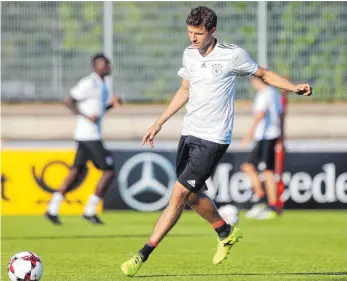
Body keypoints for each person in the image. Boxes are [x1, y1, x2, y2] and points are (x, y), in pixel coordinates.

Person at [121, 6, 312, 277]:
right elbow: (184, 90)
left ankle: (142, 255)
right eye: (190, 33)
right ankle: (225, 231)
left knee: (177, 196)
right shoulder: (189, 54)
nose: (193, 39)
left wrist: (293, 88)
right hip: (189, 134)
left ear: (213, 31)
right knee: (192, 196)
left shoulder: (232, 55)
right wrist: (158, 122)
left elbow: (264, 74)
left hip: (213, 139)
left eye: (198, 34)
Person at [45, 53, 121, 225]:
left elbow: (97, 112)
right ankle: (90, 210)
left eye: (108, 65)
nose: (108, 67)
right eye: (105, 65)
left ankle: (52, 209)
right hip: (89, 136)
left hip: (88, 135)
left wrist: (110, 106)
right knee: (109, 171)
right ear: (96, 66)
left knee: (75, 172)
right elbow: (69, 100)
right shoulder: (89, 82)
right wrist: (86, 116)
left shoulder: (103, 85)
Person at [241, 76, 284, 220]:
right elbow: (281, 114)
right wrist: (282, 137)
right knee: (254, 168)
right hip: (272, 136)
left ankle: (267, 203)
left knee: (264, 171)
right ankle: (265, 201)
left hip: (265, 137)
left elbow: (260, 114)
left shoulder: (264, 94)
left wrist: (248, 135)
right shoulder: (274, 93)